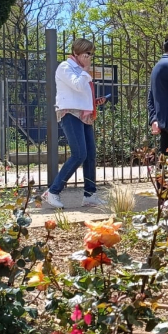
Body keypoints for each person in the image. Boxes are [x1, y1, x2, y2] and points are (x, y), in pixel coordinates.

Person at [43, 38, 106, 209]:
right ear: (76, 53)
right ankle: (53, 191)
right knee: (79, 154)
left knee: (90, 154)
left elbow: (81, 94)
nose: (89, 57)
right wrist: (85, 70)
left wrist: (95, 101)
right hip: (70, 113)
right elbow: (77, 85)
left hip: (84, 114)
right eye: (87, 53)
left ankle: (90, 195)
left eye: (91, 54)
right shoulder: (65, 67)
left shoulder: (80, 69)